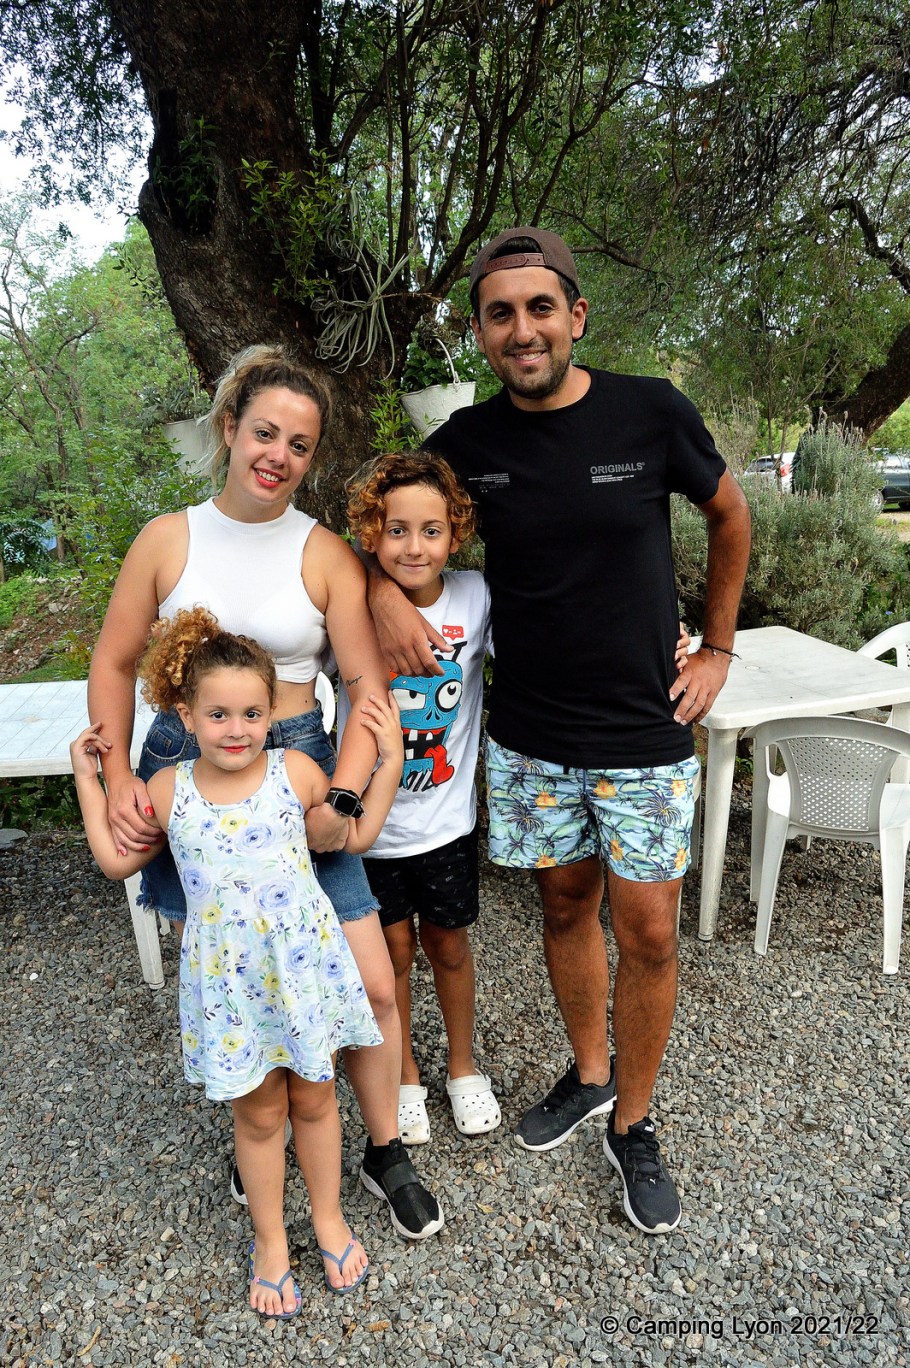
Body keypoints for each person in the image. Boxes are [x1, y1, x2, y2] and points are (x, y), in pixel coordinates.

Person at [367, 228, 751, 1235]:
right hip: (531, 737)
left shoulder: (650, 410)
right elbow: (386, 524)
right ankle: (588, 1075)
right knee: (566, 906)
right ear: (481, 333)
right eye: (500, 314)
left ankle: (635, 1122)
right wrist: (382, 591)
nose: (523, 330)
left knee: (651, 931)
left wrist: (717, 648)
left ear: (576, 315)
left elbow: (730, 515)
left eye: (540, 308)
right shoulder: (465, 443)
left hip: (644, 728)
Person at [87, 345, 442, 1242]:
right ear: (230, 428)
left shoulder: (323, 553)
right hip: (190, 767)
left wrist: (346, 799)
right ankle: (263, 1138)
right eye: (265, 433)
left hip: (299, 767)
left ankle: (384, 1150)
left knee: (372, 983)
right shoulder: (168, 540)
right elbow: (114, 661)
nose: (278, 455)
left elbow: (365, 687)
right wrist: (120, 773)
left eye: (300, 444)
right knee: (237, 980)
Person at [72, 610, 404, 1308]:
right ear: (186, 716)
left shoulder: (297, 772)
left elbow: (354, 837)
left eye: (252, 713)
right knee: (258, 1116)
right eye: (218, 714)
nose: (236, 729)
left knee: (315, 1099)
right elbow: (114, 861)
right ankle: (271, 1241)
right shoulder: (171, 789)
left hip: (302, 974)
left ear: (272, 712)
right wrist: (88, 774)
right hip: (232, 988)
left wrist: (390, 762)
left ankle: (328, 1219)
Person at [344, 452, 500, 1144]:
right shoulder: (350, 603)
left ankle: (462, 1067)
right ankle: (404, 1074)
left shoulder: (475, 596)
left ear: (456, 534)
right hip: (374, 830)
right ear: (372, 536)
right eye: (396, 530)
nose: (414, 547)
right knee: (394, 955)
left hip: (445, 822)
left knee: (450, 947)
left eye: (431, 530)